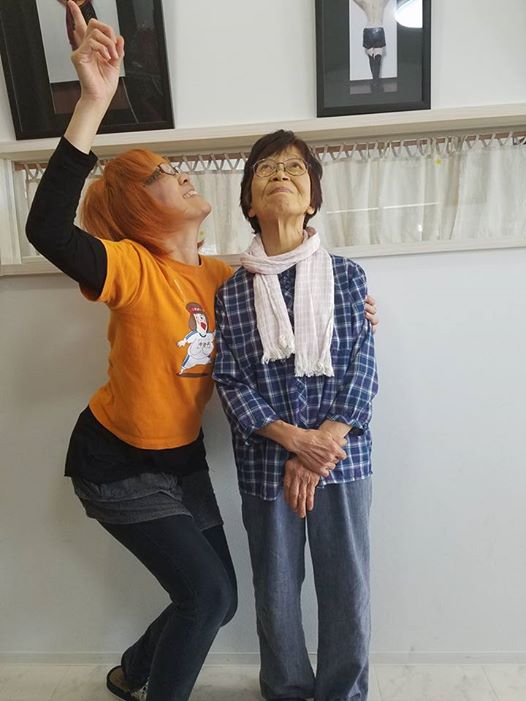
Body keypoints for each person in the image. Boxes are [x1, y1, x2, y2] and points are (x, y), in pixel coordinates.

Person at [26, 5, 237, 701]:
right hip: (114, 463)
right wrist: (93, 101)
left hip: (182, 461)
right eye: (164, 174)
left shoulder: (220, 277)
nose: (183, 176)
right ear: (139, 209)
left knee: (218, 599)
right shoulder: (132, 268)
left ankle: (130, 673)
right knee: (206, 596)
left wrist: (357, 308)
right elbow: (47, 228)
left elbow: (288, 300)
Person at [213, 131, 378, 701]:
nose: (280, 174)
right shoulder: (231, 293)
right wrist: (293, 441)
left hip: (341, 457)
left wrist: (319, 445)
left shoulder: (348, 277)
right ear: (248, 201)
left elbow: (362, 366)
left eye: (294, 168)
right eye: (266, 168)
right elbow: (229, 379)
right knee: (276, 589)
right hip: (265, 460)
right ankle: (285, 689)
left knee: (346, 586)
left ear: (312, 199)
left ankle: (343, 692)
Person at [352, 0, 390, 87]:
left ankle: (374, 81)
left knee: (371, 57)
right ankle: (376, 81)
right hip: (378, 29)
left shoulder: (364, 1)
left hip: (368, 30)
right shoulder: (381, 1)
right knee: (378, 57)